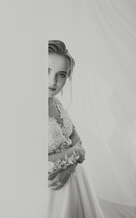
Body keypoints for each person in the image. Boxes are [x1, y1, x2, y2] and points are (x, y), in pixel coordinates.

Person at [48, 40, 105, 218]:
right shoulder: (25, 109)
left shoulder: (57, 104)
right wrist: (77, 154)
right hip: (50, 193)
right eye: (46, 71)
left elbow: (77, 140)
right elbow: (33, 162)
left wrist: (69, 168)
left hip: (76, 183)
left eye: (62, 74)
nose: (53, 81)